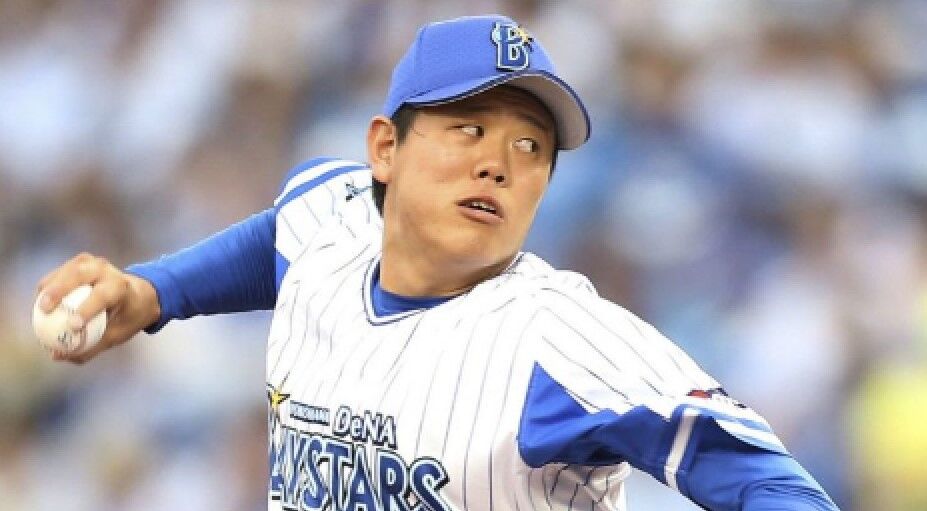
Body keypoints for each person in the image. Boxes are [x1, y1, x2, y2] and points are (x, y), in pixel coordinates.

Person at [36, 15, 839, 511]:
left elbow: (768, 483)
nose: (499, 164)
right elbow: (278, 236)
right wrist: (153, 291)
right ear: (384, 148)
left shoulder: (563, 340)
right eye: (469, 129)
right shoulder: (331, 217)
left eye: (531, 147)